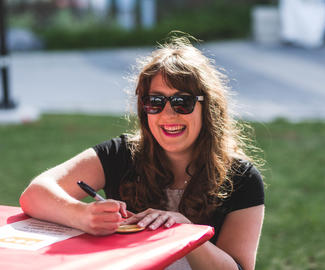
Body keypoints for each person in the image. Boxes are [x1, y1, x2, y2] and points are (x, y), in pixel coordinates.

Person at [20, 36, 265, 270]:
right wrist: (82, 215)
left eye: (182, 102)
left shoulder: (241, 177)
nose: (168, 114)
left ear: (208, 108)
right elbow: (34, 195)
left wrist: (186, 233)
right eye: (155, 102)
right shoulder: (121, 154)